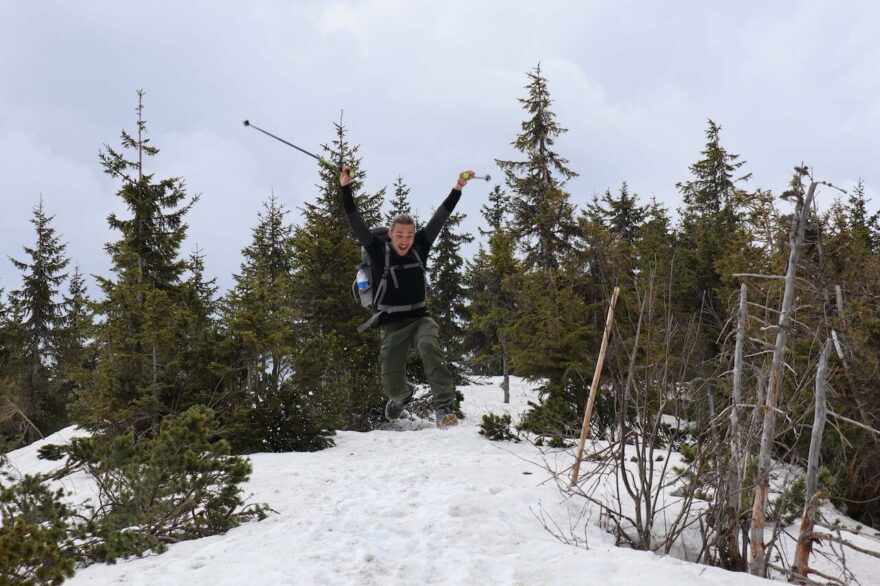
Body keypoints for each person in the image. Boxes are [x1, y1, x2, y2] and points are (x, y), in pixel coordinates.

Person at [340, 165, 476, 428]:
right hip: (391, 324)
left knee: (429, 346)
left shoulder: (420, 246)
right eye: (400, 235)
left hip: (420, 317)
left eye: (410, 235)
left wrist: (457, 187)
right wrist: (346, 188)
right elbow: (355, 220)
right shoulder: (377, 249)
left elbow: (441, 216)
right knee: (391, 383)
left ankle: (444, 408)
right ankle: (402, 395)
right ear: (390, 235)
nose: (405, 240)